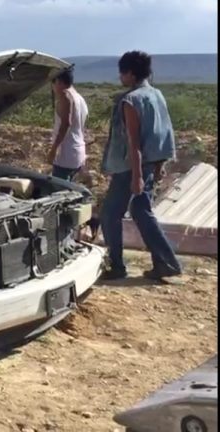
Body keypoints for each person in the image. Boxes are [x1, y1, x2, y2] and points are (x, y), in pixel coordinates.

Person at [99, 50, 182, 281]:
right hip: (148, 165)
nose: (120, 78)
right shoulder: (156, 95)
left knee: (110, 215)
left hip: (131, 168)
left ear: (131, 74)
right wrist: (159, 165)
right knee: (141, 211)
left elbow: (133, 143)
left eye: (122, 73)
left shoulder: (131, 100)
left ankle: (117, 266)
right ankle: (166, 262)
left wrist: (136, 176)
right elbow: (162, 133)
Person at [47, 68, 88, 181]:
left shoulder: (66, 96)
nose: (53, 87)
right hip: (78, 152)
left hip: (65, 153)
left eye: (53, 83)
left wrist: (54, 149)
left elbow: (66, 124)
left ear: (59, 81)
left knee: (59, 191)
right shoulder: (80, 98)